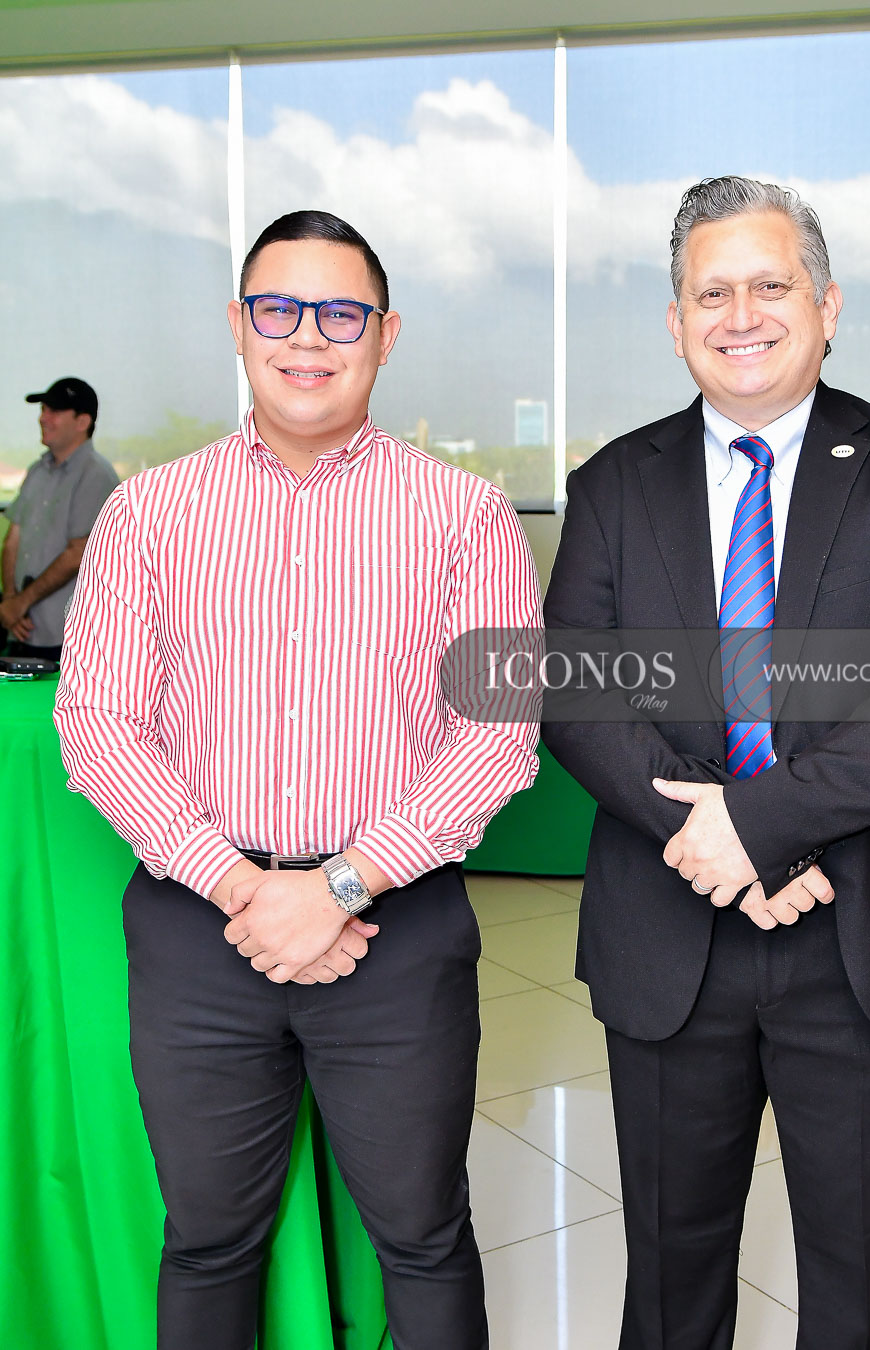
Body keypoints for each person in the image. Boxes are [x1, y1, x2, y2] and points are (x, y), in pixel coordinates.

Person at [54, 209, 541, 1350]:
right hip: (197, 934)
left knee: (423, 1237)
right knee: (207, 1241)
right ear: (238, 326)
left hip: (397, 933)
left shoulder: (467, 516)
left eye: (341, 313)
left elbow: (500, 733)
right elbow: (98, 724)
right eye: (278, 310)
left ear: (387, 334)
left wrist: (337, 887)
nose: (307, 337)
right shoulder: (149, 513)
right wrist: (247, 889)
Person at [542, 176, 870, 1349]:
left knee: (859, 1280)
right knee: (670, 1277)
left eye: (770, 284)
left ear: (826, 304)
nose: (740, 314)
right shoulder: (612, 484)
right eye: (712, 292)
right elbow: (576, 691)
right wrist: (711, 842)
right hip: (669, 926)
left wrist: (759, 828)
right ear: (675, 321)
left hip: (862, 935)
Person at [0, 377, 117, 659]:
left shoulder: (96, 475)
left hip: (68, 640)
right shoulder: (37, 471)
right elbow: (13, 538)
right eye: (43, 410)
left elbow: (78, 553)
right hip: (22, 631)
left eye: (54, 411)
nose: (43, 418)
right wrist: (10, 602)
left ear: (82, 422)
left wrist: (19, 603)